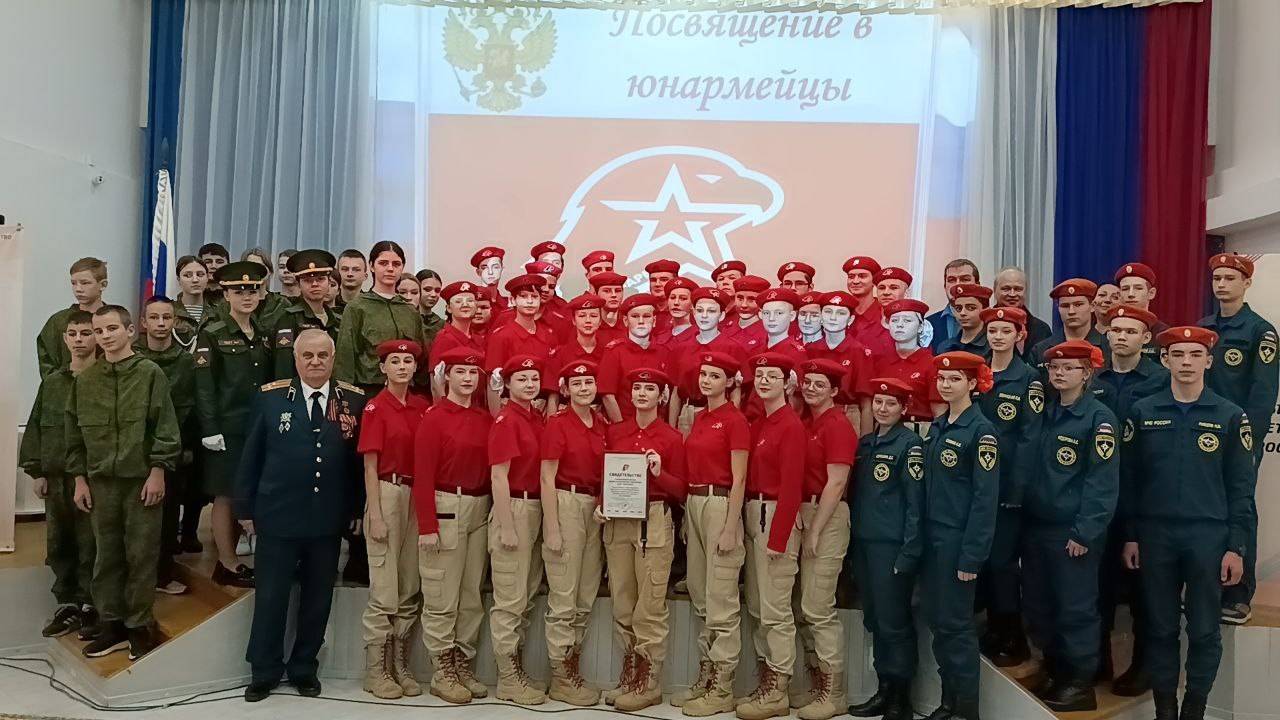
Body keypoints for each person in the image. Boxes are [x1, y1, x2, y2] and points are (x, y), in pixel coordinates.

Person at [1120, 326, 1256, 720]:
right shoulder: (1144, 412)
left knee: (1204, 630)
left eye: (1195, 355)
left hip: (1208, 536)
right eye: (1177, 354)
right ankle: (1165, 709)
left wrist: (1236, 546)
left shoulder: (1230, 416)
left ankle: (1194, 708)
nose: (1186, 362)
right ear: (1165, 360)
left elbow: (1241, 488)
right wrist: (1131, 535)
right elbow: (1129, 480)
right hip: (1155, 535)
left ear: (1209, 361)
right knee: (1159, 628)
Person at [236, 329, 367, 702]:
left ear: (333, 358)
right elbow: (251, 455)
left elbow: (357, 465)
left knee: (317, 599)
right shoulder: (271, 398)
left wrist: (355, 508)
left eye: (322, 355)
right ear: (295, 359)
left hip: (327, 518)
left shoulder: (352, 401)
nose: (315, 362)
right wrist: (244, 508)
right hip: (277, 514)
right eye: (307, 355)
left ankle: (304, 668)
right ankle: (264, 671)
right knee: (271, 598)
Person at [67, 305, 181, 660]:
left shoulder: (149, 374)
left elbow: (165, 428)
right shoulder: (86, 381)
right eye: (99, 331)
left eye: (112, 329)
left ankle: (139, 625)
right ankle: (112, 624)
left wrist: (158, 471)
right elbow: (74, 436)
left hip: (140, 481)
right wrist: (79, 480)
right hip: (100, 483)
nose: (105, 336)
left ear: (130, 331)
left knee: (141, 554)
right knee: (106, 555)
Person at [1023, 340, 1117, 712]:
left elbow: (1102, 481)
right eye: (1054, 368)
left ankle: (1079, 682)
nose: (1060, 373)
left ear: (1087, 373)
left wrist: (1085, 531)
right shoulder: (1046, 413)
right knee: (1040, 603)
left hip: (1072, 531)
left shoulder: (1098, 418)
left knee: (1075, 608)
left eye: (1069, 368)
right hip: (1038, 526)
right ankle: (1056, 668)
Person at [600, 367, 687, 712]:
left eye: (649, 389)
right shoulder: (616, 432)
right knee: (622, 599)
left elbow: (681, 490)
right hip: (619, 520)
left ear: (661, 396)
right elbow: (604, 476)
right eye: (637, 388)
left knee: (649, 604)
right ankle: (631, 672)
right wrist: (601, 504)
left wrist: (659, 473)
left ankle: (649, 682)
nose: (641, 394)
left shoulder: (672, 437)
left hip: (653, 519)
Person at [1199, 253, 1279, 624]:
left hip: (1239, 439)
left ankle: (1239, 593)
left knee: (1239, 508)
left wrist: (1248, 442)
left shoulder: (1260, 331)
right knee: (1206, 507)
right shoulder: (1203, 329)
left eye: (1230, 278)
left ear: (1246, 283)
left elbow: (1263, 395)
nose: (1221, 284)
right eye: (1217, 278)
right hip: (1202, 436)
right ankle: (1207, 585)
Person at [920, 351, 999, 720]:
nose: (946, 384)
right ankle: (948, 700)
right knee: (938, 622)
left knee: (956, 625)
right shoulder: (939, 426)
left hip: (957, 540)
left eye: (955, 379)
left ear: (972, 383)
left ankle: (967, 709)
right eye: (942, 378)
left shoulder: (981, 432)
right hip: (932, 538)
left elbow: (985, 499)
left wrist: (972, 554)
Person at [1094, 304, 1168, 692]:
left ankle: (1144, 666)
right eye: (1115, 330)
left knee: (1144, 589)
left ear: (1146, 338)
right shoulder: (1095, 379)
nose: (1121, 336)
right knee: (1099, 584)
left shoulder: (1161, 380)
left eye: (1130, 331)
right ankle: (1098, 661)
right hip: (1102, 494)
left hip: (1145, 494)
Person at [413, 348, 492, 704]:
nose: (467, 378)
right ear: (447, 376)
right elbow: (423, 474)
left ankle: (462, 662)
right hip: (447, 504)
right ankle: (442, 668)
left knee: (471, 593)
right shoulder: (435, 417)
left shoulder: (483, 417)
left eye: (473, 373)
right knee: (442, 592)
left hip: (479, 506)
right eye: (461, 372)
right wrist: (427, 525)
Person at [677, 351, 750, 717]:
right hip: (695, 501)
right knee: (700, 591)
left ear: (730, 382)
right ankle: (707, 676)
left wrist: (731, 525)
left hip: (720, 503)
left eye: (715, 376)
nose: (706, 381)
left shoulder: (735, 420)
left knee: (721, 595)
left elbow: (740, 477)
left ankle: (722, 686)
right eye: (703, 374)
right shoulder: (700, 417)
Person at [847, 378, 925, 720]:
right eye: (878, 402)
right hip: (864, 544)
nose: (882, 408)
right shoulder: (866, 444)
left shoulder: (910, 446)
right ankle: (883, 689)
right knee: (876, 620)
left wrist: (909, 551)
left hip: (891, 546)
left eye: (890, 403)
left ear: (903, 408)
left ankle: (900, 698)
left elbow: (915, 504)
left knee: (894, 622)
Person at [194, 261, 274, 588]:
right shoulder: (213, 333)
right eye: (239, 291)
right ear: (226, 295)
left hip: (256, 426)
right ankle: (226, 562)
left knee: (246, 492)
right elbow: (204, 385)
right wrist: (210, 429)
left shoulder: (262, 333)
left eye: (252, 290)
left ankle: (233, 560)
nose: (246, 296)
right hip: (226, 427)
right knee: (226, 494)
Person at [358, 340, 429, 700]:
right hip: (387, 491)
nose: (402, 366)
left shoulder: (421, 407)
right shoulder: (376, 408)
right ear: (383, 368)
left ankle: (400, 664)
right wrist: (375, 514)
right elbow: (370, 466)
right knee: (384, 586)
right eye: (395, 361)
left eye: (408, 361)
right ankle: (376, 670)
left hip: (417, 494)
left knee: (409, 582)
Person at [738, 353, 806, 720]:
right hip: (754, 512)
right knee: (758, 605)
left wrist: (779, 538)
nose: (764, 381)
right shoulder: (761, 422)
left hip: (774, 516)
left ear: (787, 383)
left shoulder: (790, 425)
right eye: (760, 375)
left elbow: (793, 486)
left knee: (775, 608)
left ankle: (778, 688)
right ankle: (767, 680)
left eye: (772, 376)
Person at [974, 306, 1043, 667]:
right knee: (983, 561)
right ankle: (994, 628)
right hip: (975, 485)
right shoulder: (976, 371)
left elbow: (1031, 438)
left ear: (1019, 335)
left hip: (1006, 487)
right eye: (993, 330)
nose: (998, 337)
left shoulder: (1028, 378)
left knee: (1003, 564)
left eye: (1006, 331)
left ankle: (1013, 636)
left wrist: (1018, 489)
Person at [23, 311, 98, 639]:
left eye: (86, 333)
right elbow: (38, 425)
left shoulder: (104, 380)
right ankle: (67, 603)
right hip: (57, 478)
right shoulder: (52, 383)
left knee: (91, 541)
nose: (79, 340)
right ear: (65, 339)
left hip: (93, 478)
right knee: (60, 541)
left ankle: (90, 604)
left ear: (96, 337)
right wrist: (37, 471)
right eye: (73, 334)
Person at [539, 361, 607, 707]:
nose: (583, 388)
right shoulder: (558, 423)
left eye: (589, 382)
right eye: (577, 383)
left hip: (593, 509)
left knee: (585, 593)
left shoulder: (601, 424)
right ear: (565, 389)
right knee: (564, 595)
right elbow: (546, 476)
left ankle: (572, 666)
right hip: (565, 503)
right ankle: (560, 675)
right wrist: (552, 526)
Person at [792, 359, 856, 720]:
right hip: (803, 510)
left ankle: (834, 693)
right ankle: (816, 684)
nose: (812, 388)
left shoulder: (838, 425)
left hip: (826, 515)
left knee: (818, 607)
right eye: (808, 382)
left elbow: (837, 481)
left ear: (834, 390)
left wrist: (815, 528)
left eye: (820, 384)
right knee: (802, 606)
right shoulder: (806, 422)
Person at [487, 355, 547, 704]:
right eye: (522, 379)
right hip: (515, 507)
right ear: (507, 384)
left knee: (525, 594)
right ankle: (508, 677)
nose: (529, 384)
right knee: (510, 598)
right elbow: (498, 476)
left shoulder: (535, 417)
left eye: (534, 378)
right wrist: (507, 526)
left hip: (536, 506)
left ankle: (517, 670)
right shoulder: (507, 419)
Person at [135, 296, 197, 596]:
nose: (160, 324)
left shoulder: (186, 362)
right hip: (133, 449)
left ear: (174, 321)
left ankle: (162, 574)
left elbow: (190, 406)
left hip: (171, 448)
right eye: (154, 318)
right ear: (143, 322)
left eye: (166, 318)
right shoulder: (130, 358)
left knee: (168, 514)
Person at [335, 241, 427, 395]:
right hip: (368, 389)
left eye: (396, 264)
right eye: (383, 263)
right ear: (372, 266)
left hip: (406, 390)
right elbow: (345, 358)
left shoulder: (409, 310)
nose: (390, 269)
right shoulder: (357, 307)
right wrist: (345, 398)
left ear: (402, 267)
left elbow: (421, 355)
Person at [484, 274, 556, 409]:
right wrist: (498, 416)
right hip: (511, 406)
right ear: (513, 300)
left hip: (542, 407)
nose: (529, 301)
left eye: (534, 297)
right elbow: (493, 382)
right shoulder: (501, 336)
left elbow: (552, 379)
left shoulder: (548, 335)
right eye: (523, 296)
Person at [869, 299, 944, 425]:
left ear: (920, 327)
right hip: (882, 428)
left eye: (907, 320)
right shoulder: (879, 362)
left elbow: (939, 413)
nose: (900, 325)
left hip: (918, 429)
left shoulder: (932, 364)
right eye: (894, 320)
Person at [599, 293, 669, 422]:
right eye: (635, 316)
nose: (641, 321)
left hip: (657, 426)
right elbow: (608, 396)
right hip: (624, 423)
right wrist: (620, 427)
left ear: (654, 321)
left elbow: (667, 395)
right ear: (626, 321)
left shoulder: (664, 352)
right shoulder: (614, 351)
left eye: (646, 316)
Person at [806, 291, 872, 427]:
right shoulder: (811, 349)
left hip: (847, 414)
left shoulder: (859, 351)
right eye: (828, 312)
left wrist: (866, 437)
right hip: (813, 414)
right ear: (821, 316)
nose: (833, 318)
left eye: (841, 313)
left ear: (850, 319)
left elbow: (866, 403)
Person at [272, 250, 341, 379]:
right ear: (299, 284)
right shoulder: (289, 319)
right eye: (308, 280)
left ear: (328, 283)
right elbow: (284, 366)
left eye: (320, 279)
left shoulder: (337, 320)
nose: (315, 284)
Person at [37, 257, 107, 378]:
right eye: (74, 283)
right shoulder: (59, 321)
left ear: (103, 285)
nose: (78, 289)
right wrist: (62, 383)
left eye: (85, 283)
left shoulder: (113, 320)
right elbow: (47, 363)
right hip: (65, 385)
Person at [543, 293, 605, 414]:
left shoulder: (609, 353)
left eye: (593, 316)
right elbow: (553, 397)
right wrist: (552, 424)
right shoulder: (560, 354)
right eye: (582, 316)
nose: (588, 320)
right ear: (573, 320)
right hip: (568, 414)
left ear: (600, 321)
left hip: (600, 416)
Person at [1029, 279, 1107, 372]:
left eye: (1078, 305)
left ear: (1092, 306)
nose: (1071, 311)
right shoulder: (1040, 350)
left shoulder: (1108, 348)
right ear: (1058, 308)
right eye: (1065, 306)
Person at [991, 267, 1053, 359]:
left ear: (1025, 292)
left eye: (1018, 289)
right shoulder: (982, 326)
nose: (1012, 294)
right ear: (994, 290)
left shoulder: (1041, 329)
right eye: (1006, 289)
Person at [1114, 263, 1170, 359]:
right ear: (1119, 295)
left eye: (1138, 288)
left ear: (1151, 293)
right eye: (1125, 289)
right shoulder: (1111, 331)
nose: (1131, 294)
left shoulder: (1163, 334)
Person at [925, 259, 980, 351]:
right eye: (952, 280)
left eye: (965, 279)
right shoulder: (927, 325)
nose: (958, 285)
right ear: (945, 286)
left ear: (977, 285)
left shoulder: (990, 323)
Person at [935, 284, 992, 359]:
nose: (962, 313)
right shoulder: (945, 347)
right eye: (958, 308)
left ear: (986, 311)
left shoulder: (993, 346)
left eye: (971, 308)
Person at [843, 256, 883, 347]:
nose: (855, 281)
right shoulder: (840, 311)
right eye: (851, 277)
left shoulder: (884, 312)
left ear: (874, 281)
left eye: (862, 276)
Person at [173, 255, 211, 350]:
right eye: (188, 275)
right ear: (178, 280)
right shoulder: (169, 313)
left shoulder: (219, 312)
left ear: (207, 277)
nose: (195, 280)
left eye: (200, 274)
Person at [241, 247, 288, 320]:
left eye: (261, 266)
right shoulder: (233, 302)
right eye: (251, 266)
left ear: (270, 271)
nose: (256, 270)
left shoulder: (281, 304)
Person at [723, 275, 769, 343]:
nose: (744, 305)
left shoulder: (768, 332)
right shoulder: (725, 327)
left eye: (751, 300)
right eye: (740, 299)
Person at [588, 271, 628, 344]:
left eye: (618, 291)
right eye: (607, 291)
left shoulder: (630, 321)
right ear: (595, 294)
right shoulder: (588, 324)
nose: (614, 295)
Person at [417, 269, 446, 342]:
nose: (433, 295)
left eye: (437, 290)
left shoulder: (442, 325)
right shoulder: (407, 319)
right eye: (427, 289)